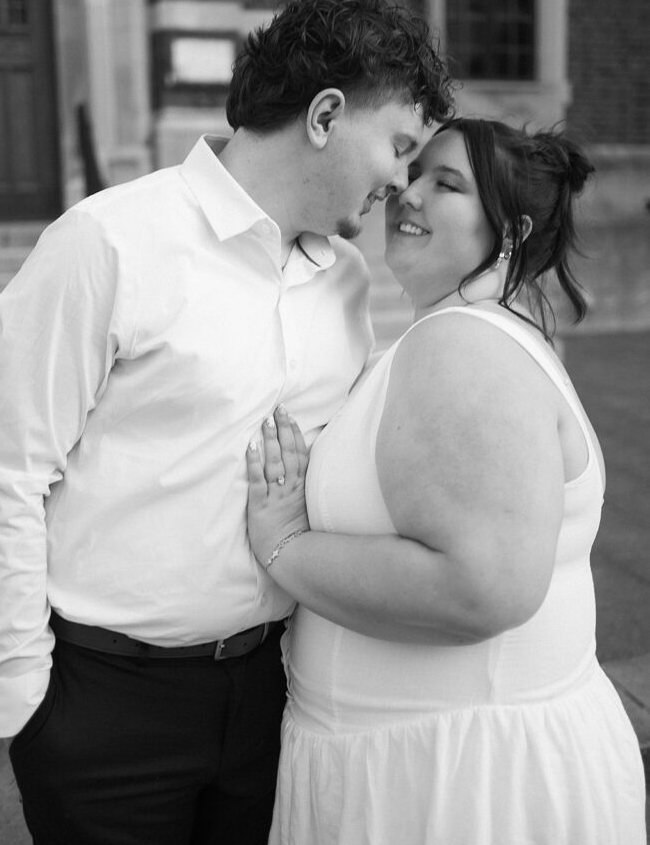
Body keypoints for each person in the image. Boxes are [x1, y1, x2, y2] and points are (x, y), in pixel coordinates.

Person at [0, 0, 454, 845]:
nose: (400, 181)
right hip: (105, 708)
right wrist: (27, 698)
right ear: (325, 114)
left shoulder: (343, 279)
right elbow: (1, 470)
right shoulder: (109, 241)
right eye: (399, 145)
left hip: (278, 691)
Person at [246, 118, 647, 845]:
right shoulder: (465, 333)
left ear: (511, 230)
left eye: (447, 184)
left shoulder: (460, 345)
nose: (408, 193)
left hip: (454, 787)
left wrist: (283, 546)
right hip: (418, 760)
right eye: (414, 171)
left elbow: (479, 585)